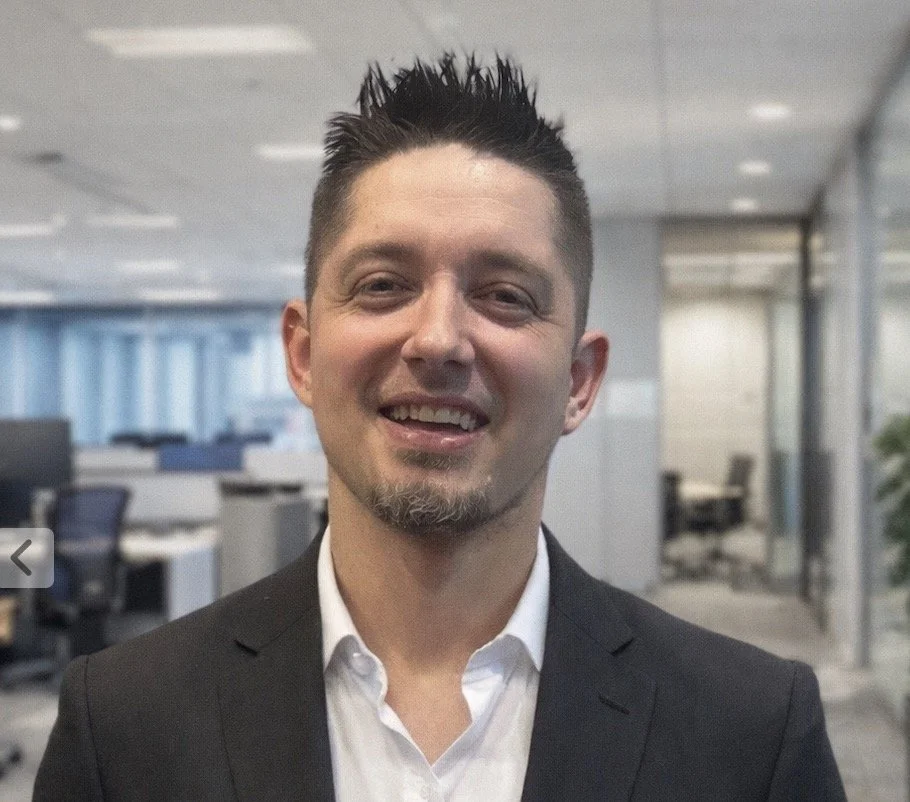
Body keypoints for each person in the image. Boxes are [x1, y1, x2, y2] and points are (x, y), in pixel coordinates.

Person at [35, 54, 845, 801]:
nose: (437, 340)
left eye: (504, 296)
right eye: (383, 285)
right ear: (304, 356)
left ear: (578, 382)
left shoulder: (753, 733)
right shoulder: (123, 726)